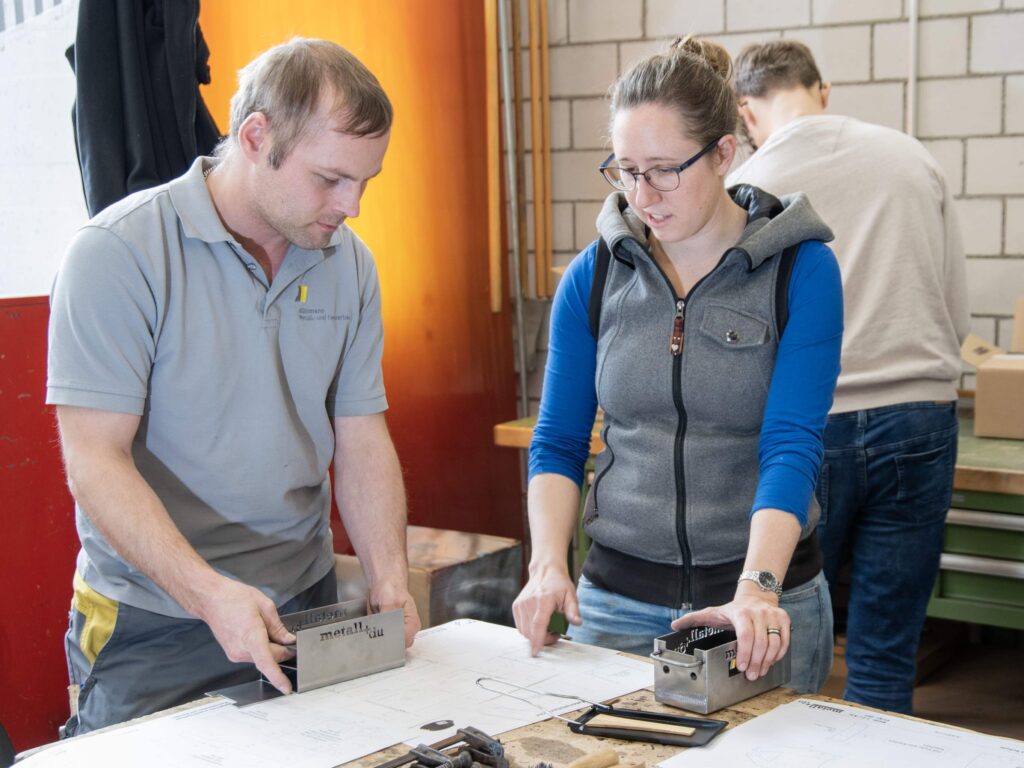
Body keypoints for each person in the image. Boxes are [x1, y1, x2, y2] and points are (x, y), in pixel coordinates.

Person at [47, 38, 421, 735]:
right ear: (256, 136)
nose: (354, 206)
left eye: (366, 182)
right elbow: (95, 459)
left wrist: (388, 574)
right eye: (331, 179)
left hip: (304, 601)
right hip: (153, 617)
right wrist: (211, 594)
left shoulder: (349, 263)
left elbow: (361, 434)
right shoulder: (118, 254)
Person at [512, 36, 843, 693]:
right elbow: (557, 440)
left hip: (757, 603)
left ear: (723, 153)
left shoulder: (800, 270)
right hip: (615, 598)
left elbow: (791, 444)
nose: (643, 194)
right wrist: (548, 563)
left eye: (665, 169)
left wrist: (757, 587)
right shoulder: (596, 274)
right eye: (626, 170)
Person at [727, 40, 968, 714]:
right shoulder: (911, 157)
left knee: (779, 638)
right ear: (821, 90)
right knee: (887, 648)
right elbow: (957, 308)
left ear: (746, 111)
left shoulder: (745, 185)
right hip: (919, 414)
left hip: (806, 431)